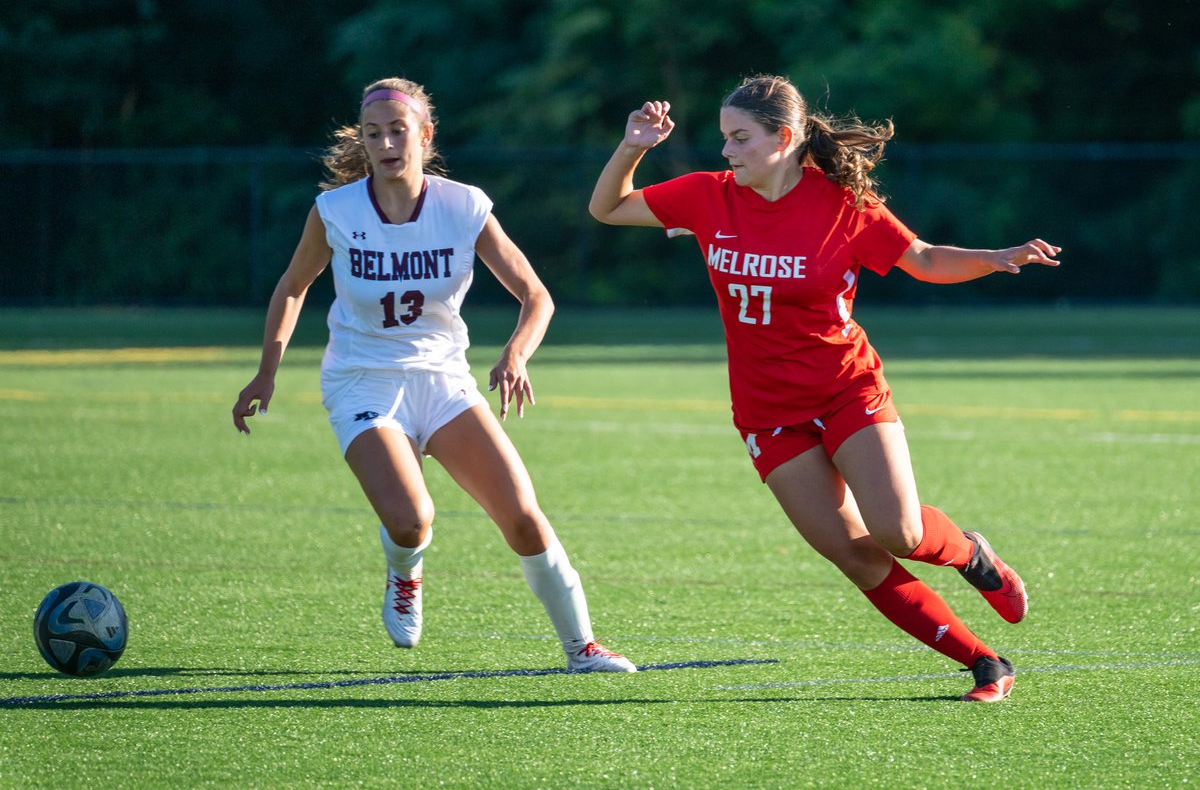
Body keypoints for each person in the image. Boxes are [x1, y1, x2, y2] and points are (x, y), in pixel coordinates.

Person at [589, 74, 1062, 701]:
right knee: (856, 555)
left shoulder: (841, 205)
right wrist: (634, 146)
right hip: (766, 413)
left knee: (899, 534)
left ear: (783, 138)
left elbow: (922, 259)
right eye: (724, 137)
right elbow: (608, 208)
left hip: (847, 389)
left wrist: (994, 256)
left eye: (740, 138)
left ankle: (972, 556)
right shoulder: (708, 196)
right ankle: (985, 664)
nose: (726, 151)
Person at [233, 77, 634, 673]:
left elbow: (536, 296)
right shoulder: (335, 211)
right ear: (363, 144)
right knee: (411, 518)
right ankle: (404, 570)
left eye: (399, 130)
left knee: (522, 516)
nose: (387, 142)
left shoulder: (464, 205)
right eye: (374, 133)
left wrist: (516, 354)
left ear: (425, 135)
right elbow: (293, 286)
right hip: (363, 381)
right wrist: (266, 372)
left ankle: (582, 647)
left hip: (444, 381)